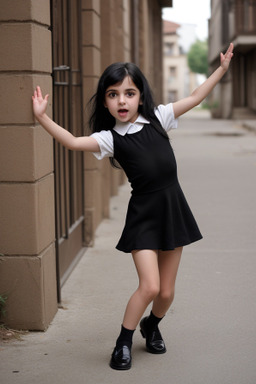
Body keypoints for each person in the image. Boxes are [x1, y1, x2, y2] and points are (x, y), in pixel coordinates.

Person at [32, 43, 234, 370]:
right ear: (105, 102)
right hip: (143, 217)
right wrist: (43, 118)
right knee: (150, 285)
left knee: (166, 294)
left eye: (128, 93)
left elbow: (196, 96)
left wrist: (222, 69)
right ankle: (123, 341)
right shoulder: (111, 138)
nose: (121, 100)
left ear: (140, 96)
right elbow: (71, 141)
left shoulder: (159, 118)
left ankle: (151, 325)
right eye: (113, 94)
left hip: (173, 212)